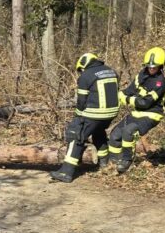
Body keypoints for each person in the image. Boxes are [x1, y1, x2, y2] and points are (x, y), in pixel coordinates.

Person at [50, 52, 120, 183]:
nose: (80, 72)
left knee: (77, 135)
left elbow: (81, 101)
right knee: (98, 132)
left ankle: (66, 172)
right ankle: (104, 164)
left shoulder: (86, 76)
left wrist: (78, 116)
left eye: (80, 70)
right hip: (111, 114)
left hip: (95, 113)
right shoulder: (111, 71)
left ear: (83, 65)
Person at [109, 46, 165, 174]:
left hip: (152, 115)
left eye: (154, 66)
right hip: (136, 113)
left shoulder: (160, 82)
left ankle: (126, 162)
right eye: (149, 66)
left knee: (129, 131)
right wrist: (120, 95)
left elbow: (145, 103)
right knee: (115, 135)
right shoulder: (142, 74)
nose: (151, 68)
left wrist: (127, 99)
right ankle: (112, 162)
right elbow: (129, 91)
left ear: (161, 66)